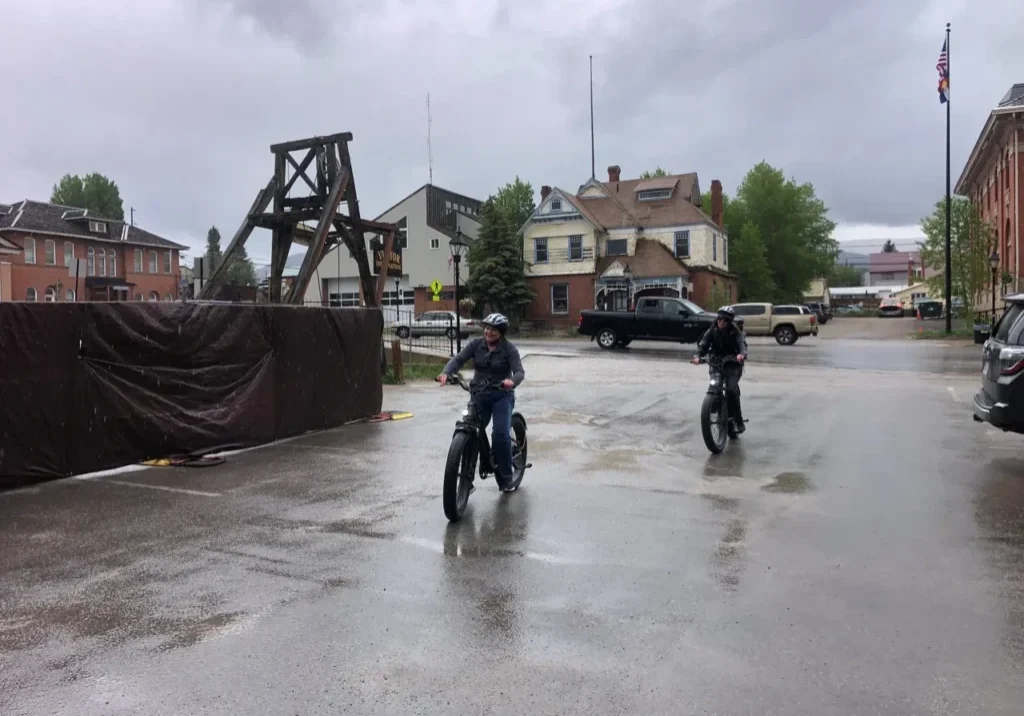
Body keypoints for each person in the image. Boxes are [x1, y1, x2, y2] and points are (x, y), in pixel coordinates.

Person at [438, 313, 525, 492]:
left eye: (493, 329)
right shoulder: (476, 344)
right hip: (478, 395)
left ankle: (507, 478)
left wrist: (512, 381)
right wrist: (446, 372)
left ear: (501, 332)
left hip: (502, 396)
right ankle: (466, 480)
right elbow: (459, 359)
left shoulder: (509, 349)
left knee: (500, 435)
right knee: (468, 431)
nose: (488, 332)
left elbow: (519, 371)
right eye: (486, 328)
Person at [692, 306, 748, 433]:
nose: (721, 322)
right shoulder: (712, 329)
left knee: (731, 389)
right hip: (716, 361)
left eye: (725, 320)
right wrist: (697, 355)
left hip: (733, 362)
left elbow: (742, 343)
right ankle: (715, 409)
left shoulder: (735, 331)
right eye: (720, 318)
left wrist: (742, 354)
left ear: (730, 322)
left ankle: (738, 421)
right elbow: (704, 343)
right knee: (714, 385)